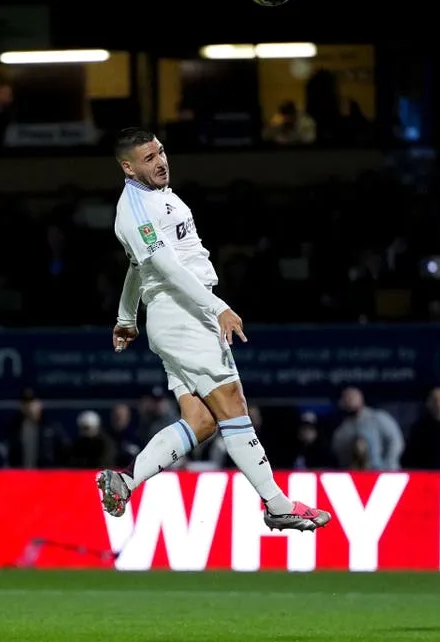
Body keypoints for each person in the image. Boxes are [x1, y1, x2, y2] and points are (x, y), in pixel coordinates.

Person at [95, 127, 330, 532]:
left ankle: (126, 480)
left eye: (161, 152)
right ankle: (277, 504)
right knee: (233, 405)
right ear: (127, 167)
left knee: (202, 422)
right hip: (184, 313)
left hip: (174, 316)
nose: (161, 161)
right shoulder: (133, 209)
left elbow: (137, 267)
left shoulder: (156, 197)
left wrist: (126, 318)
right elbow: (165, 266)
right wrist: (218, 306)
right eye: (149, 158)